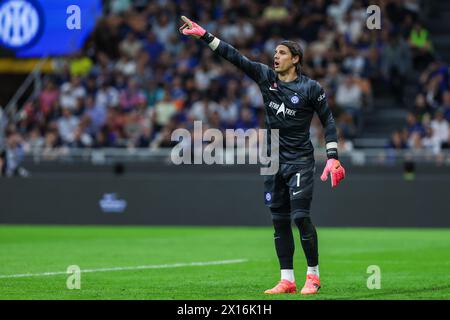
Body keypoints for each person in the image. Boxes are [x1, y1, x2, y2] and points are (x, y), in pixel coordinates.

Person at [179, 16, 345, 295]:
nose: (275, 57)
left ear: (295, 59)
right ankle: (287, 279)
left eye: (281, 53)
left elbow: (328, 121)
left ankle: (313, 276)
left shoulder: (311, 89)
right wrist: (205, 35)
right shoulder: (266, 77)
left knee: (301, 217)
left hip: (300, 160)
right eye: (275, 53)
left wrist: (332, 156)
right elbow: (235, 57)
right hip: (271, 161)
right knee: (279, 219)